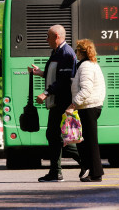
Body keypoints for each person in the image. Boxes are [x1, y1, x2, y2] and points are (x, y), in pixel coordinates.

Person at [28, 24, 81, 182]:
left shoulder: (66, 53)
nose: (46, 39)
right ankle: (56, 172)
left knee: (57, 136)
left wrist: (46, 93)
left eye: (48, 36)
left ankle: (84, 163)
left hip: (63, 101)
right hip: (56, 101)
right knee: (55, 135)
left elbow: (64, 80)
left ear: (57, 37)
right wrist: (40, 73)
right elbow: (55, 76)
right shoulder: (57, 52)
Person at [65, 39, 105, 182]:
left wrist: (73, 104)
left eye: (77, 50)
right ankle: (91, 170)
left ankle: (96, 174)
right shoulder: (89, 65)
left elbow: (86, 89)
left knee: (91, 142)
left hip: (89, 107)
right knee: (86, 142)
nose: (75, 53)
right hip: (89, 106)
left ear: (81, 52)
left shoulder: (86, 66)